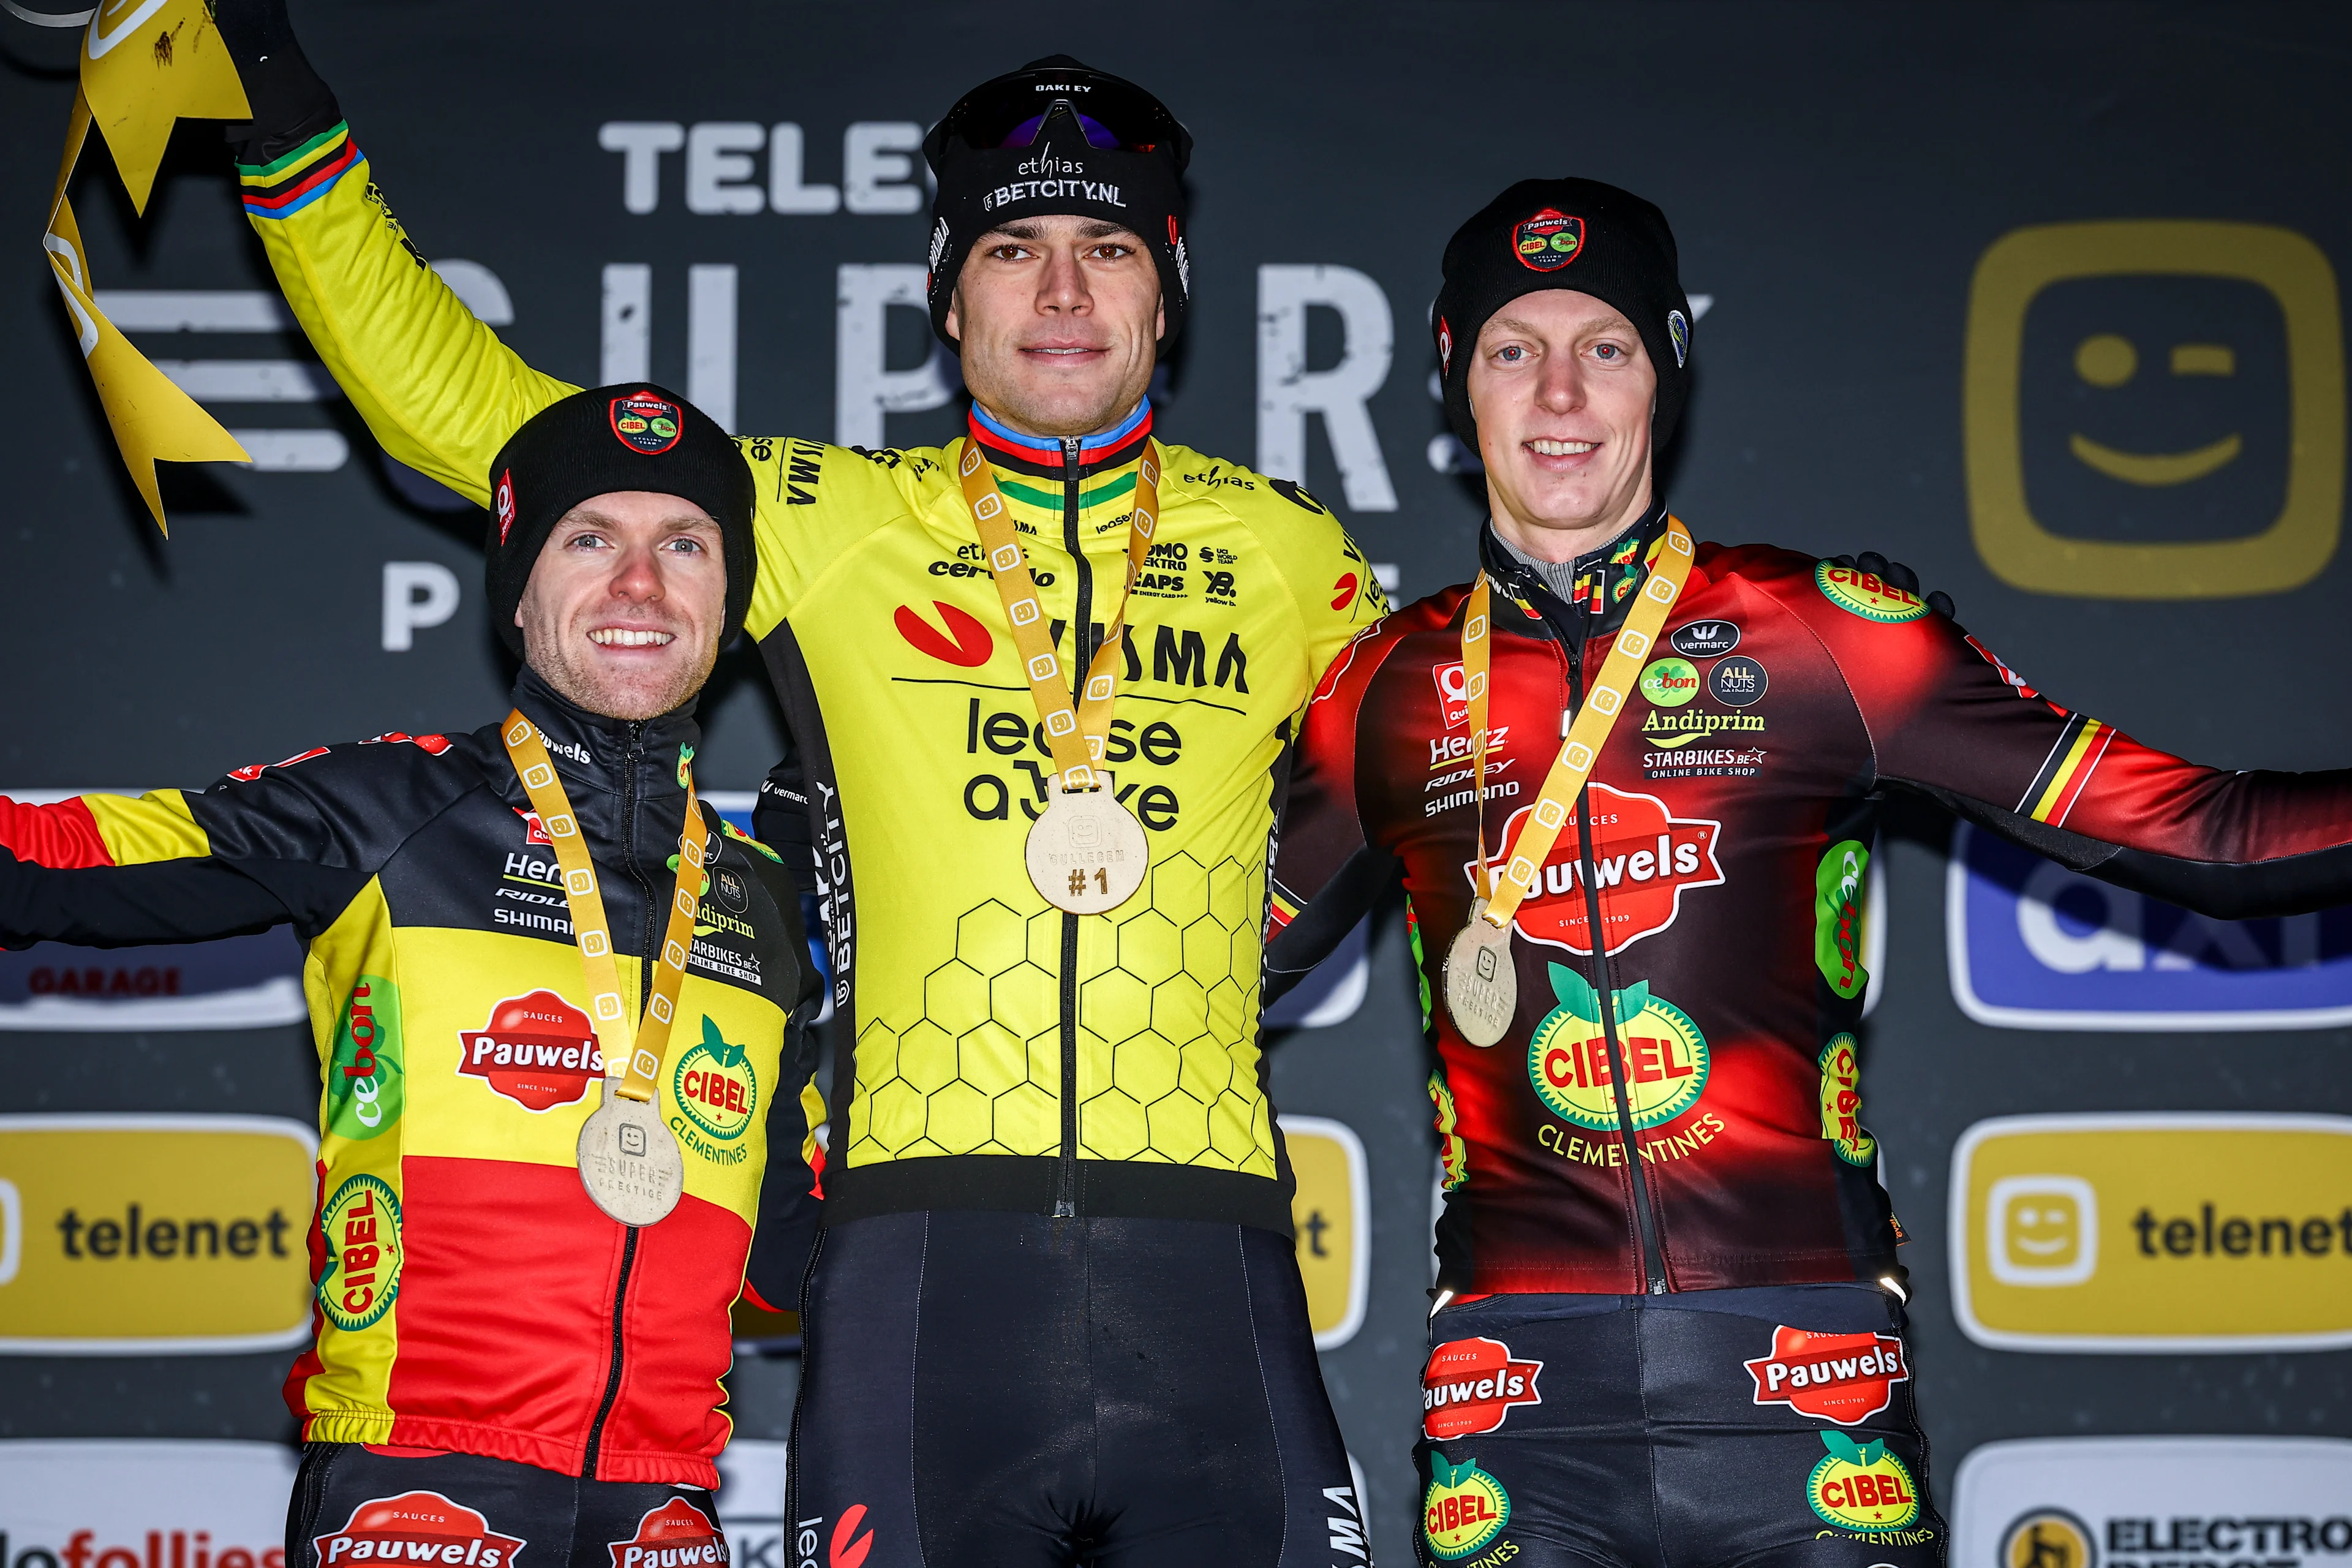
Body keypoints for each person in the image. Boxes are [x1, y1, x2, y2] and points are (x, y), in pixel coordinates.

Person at [209, 10, 1384, 1561]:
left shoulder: (1293, 549)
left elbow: (1424, 764)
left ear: (1168, 287)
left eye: (1104, 249)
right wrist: (267, 97)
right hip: (914, 1250)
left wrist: (1255, 927)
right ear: (943, 294)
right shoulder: (827, 515)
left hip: (1214, 1235)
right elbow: (467, 409)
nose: (1058, 290)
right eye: (1011, 246)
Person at [1264, 178, 2352, 1568]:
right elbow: (1201, 979)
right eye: (1511, 347)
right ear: (1452, 373)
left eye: (1604, 346)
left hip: (1807, 1389)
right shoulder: (1383, 686)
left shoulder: (1827, 632)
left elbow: (2212, 835)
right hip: (1510, 1403)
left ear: (1665, 367)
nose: (1559, 393)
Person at [0, 387, 823, 1562]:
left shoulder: (758, 896)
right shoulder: (385, 812)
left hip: (665, 1511)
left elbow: (796, 1251)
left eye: (683, 545)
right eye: (590, 537)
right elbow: (47, 865)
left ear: (727, 600)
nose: (639, 584)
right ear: (520, 589)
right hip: (415, 1486)